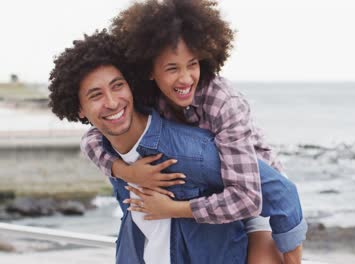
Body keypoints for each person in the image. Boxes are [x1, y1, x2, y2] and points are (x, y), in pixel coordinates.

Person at [49, 30, 306, 264]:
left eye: (192, 64)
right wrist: (125, 172)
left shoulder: (221, 104)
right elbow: (92, 139)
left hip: (253, 188)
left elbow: (264, 194)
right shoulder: (144, 102)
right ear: (151, 72)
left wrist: (174, 209)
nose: (184, 78)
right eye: (171, 68)